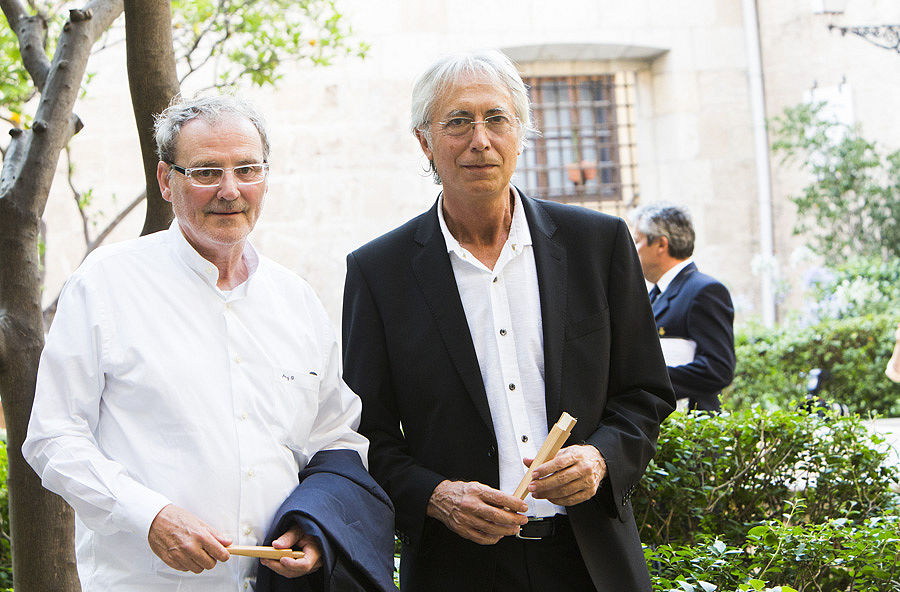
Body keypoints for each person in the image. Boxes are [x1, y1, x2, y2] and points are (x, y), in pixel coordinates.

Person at [23, 95, 394, 592]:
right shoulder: (104, 284)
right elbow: (53, 437)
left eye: (247, 169)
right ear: (165, 181)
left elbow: (336, 439)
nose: (230, 190)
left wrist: (314, 526)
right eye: (205, 172)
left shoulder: (297, 300)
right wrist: (150, 515)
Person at [341, 50, 675, 592]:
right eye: (457, 122)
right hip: (458, 566)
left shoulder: (598, 245)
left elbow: (646, 394)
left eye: (497, 119)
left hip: (592, 559)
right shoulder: (380, 272)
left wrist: (600, 458)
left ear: (521, 132)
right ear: (424, 142)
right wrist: (434, 495)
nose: (481, 139)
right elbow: (364, 434)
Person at [629, 202, 736, 412]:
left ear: (661, 244)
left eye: (637, 241)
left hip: (691, 432)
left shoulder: (704, 290)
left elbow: (718, 369)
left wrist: (648, 381)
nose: (632, 250)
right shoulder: (655, 294)